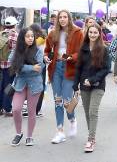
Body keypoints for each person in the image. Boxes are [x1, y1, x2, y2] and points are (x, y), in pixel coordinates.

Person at [44, 9, 84, 144]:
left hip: (69, 68)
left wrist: (70, 57)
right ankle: (60, 131)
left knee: (67, 100)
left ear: (69, 18)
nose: (62, 19)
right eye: (60, 17)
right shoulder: (52, 33)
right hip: (56, 68)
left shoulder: (78, 33)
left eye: (65, 17)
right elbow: (47, 50)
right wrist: (46, 57)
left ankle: (72, 120)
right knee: (57, 100)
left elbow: (81, 52)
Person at [73, 23, 110, 153]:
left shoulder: (104, 49)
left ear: (99, 34)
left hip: (98, 85)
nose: (93, 35)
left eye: (95, 32)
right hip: (84, 85)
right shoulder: (83, 48)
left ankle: (90, 139)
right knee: (87, 112)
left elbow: (106, 68)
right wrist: (75, 85)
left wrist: (93, 80)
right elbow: (78, 68)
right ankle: (92, 136)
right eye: (91, 32)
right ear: (87, 33)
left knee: (93, 112)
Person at [9, 27, 44, 146]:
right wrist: (30, 67)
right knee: (16, 109)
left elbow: (39, 69)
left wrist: (21, 67)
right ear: (22, 38)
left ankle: (30, 136)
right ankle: (18, 134)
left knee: (31, 110)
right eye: (28, 36)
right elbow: (12, 65)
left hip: (35, 84)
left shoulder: (38, 50)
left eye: (32, 36)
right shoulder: (17, 50)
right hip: (20, 84)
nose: (30, 38)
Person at [0, 16, 18, 117]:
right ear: (14, 25)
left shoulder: (1, 34)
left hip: (1, 64)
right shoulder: (15, 35)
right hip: (10, 65)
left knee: (2, 86)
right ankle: (7, 108)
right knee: (9, 86)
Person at [30, 24, 47, 117]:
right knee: (40, 86)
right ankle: (36, 109)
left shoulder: (39, 40)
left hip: (37, 63)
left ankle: (35, 109)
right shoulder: (43, 38)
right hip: (41, 64)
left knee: (37, 86)